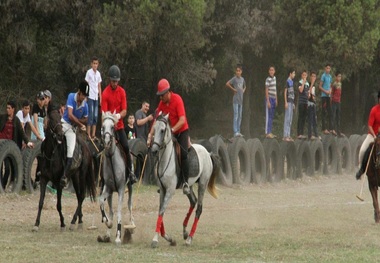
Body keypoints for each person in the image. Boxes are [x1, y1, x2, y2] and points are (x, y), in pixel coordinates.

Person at [147, 78, 190, 195]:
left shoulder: (177, 100)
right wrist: (150, 135)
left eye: (162, 95)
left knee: (184, 154)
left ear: (168, 92)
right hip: (169, 133)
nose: (160, 98)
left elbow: (182, 120)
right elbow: (156, 121)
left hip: (181, 131)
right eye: (159, 96)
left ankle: (185, 182)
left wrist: (172, 129)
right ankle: (162, 182)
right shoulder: (161, 104)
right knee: (162, 151)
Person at [101, 65, 137, 184]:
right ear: (109, 80)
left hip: (120, 126)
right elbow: (104, 114)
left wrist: (118, 116)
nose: (115, 83)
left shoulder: (122, 92)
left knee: (126, 147)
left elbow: (125, 111)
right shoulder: (105, 93)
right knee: (104, 149)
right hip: (108, 128)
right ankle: (102, 178)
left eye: (116, 81)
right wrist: (110, 119)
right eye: (113, 81)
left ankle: (130, 172)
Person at [60, 81, 89, 187]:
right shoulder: (71, 97)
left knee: (71, 150)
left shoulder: (85, 104)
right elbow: (71, 116)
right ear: (79, 92)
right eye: (83, 95)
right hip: (65, 124)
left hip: (72, 129)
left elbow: (86, 119)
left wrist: (80, 123)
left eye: (85, 96)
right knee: (55, 138)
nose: (84, 98)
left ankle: (64, 176)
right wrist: (80, 124)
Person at [355, 91, 380, 179]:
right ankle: (361, 170)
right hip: (373, 135)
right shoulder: (374, 110)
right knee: (362, 150)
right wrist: (374, 135)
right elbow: (369, 125)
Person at [226, 64, 246, 137]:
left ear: (241, 72)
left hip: (241, 100)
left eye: (239, 71)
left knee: (240, 116)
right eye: (237, 71)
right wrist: (233, 89)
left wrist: (243, 90)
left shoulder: (242, 79)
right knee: (236, 115)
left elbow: (245, 86)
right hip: (235, 100)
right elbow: (227, 83)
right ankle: (235, 132)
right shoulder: (234, 79)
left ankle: (238, 131)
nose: (238, 72)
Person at [85, 56, 102, 140]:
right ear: (91, 64)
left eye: (96, 64)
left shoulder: (98, 74)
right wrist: (86, 95)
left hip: (96, 96)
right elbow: (86, 84)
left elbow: (99, 86)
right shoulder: (89, 72)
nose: (95, 65)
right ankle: (88, 134)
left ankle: (93, 134)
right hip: (90, 95)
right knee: (90, 115)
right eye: (94, 63)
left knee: (95, 116)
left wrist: (100, 97)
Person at [319, 63, 333, 134]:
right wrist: (325, 91)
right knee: (324, 112)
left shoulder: (330, 76)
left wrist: (330, 91)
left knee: (330, 111)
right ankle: (324, 128)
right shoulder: (323, 76)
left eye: (329, 68)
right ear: (325, 68)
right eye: (327, 68)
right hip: (324, 96)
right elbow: (320, 86)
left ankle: (330, 128)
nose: (328, 70)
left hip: (328, 96)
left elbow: (330, 86)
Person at [283, 69, 295, 142]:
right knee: (287, 118)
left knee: (290, 119)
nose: (294, 75)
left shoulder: (292, 82)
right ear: (290, 74)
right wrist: (285, 102)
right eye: (293, 73)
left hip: (291, 101)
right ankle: (285, 135)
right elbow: (285, 92)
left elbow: (292, 93)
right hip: (288, 101)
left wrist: (293, 103)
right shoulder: (287, 81)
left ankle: (288, 134)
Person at [297, 70, 310, 139]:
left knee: (304, 118)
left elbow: (308, 94)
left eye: (305, 75)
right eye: (303, 75)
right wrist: (303, 83)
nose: (304, 76)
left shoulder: (307, 84)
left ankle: (302, 132)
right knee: (300, 117)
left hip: (306, 102)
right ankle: (299, 133)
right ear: (302, 76)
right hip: (301, 102)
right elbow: (301, 90)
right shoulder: (300, 82)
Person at [265, 66, 277, 138]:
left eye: (273, 70)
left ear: (274, 71)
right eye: (270, 70)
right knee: (268, 116)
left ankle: (270, 131)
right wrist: (268, 101)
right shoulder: (267, 79)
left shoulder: (275, 78)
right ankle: (267, 132)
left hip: (273, 98)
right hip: (269, 98)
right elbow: (266, 90)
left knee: (272, 116)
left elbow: (275, 89)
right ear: (269, 71)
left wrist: (276, 99)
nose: (271, 71)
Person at [308, 71, 319, 140]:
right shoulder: (308, 84)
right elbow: (308, 93)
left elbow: (314, 95)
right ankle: (310, 134)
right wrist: (311, 83)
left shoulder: (314, 86)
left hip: (314, 104)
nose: (313, 78)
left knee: (315, 120)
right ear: (310, 77)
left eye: (314, 76)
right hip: (309, 104)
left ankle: (316, 134)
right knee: (310, 120)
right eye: (312, 76)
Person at [331, 72, 343, 136]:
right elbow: (332, 92)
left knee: (338, 116)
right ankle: (333, 129)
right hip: (334, 101)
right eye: (338, 76)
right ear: (336, 77)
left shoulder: (340, 84)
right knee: (333, 116)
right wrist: (331, 101)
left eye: (340, 76)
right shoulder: (334, 84)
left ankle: (338, 130)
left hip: (338, 101)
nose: (339, 78)